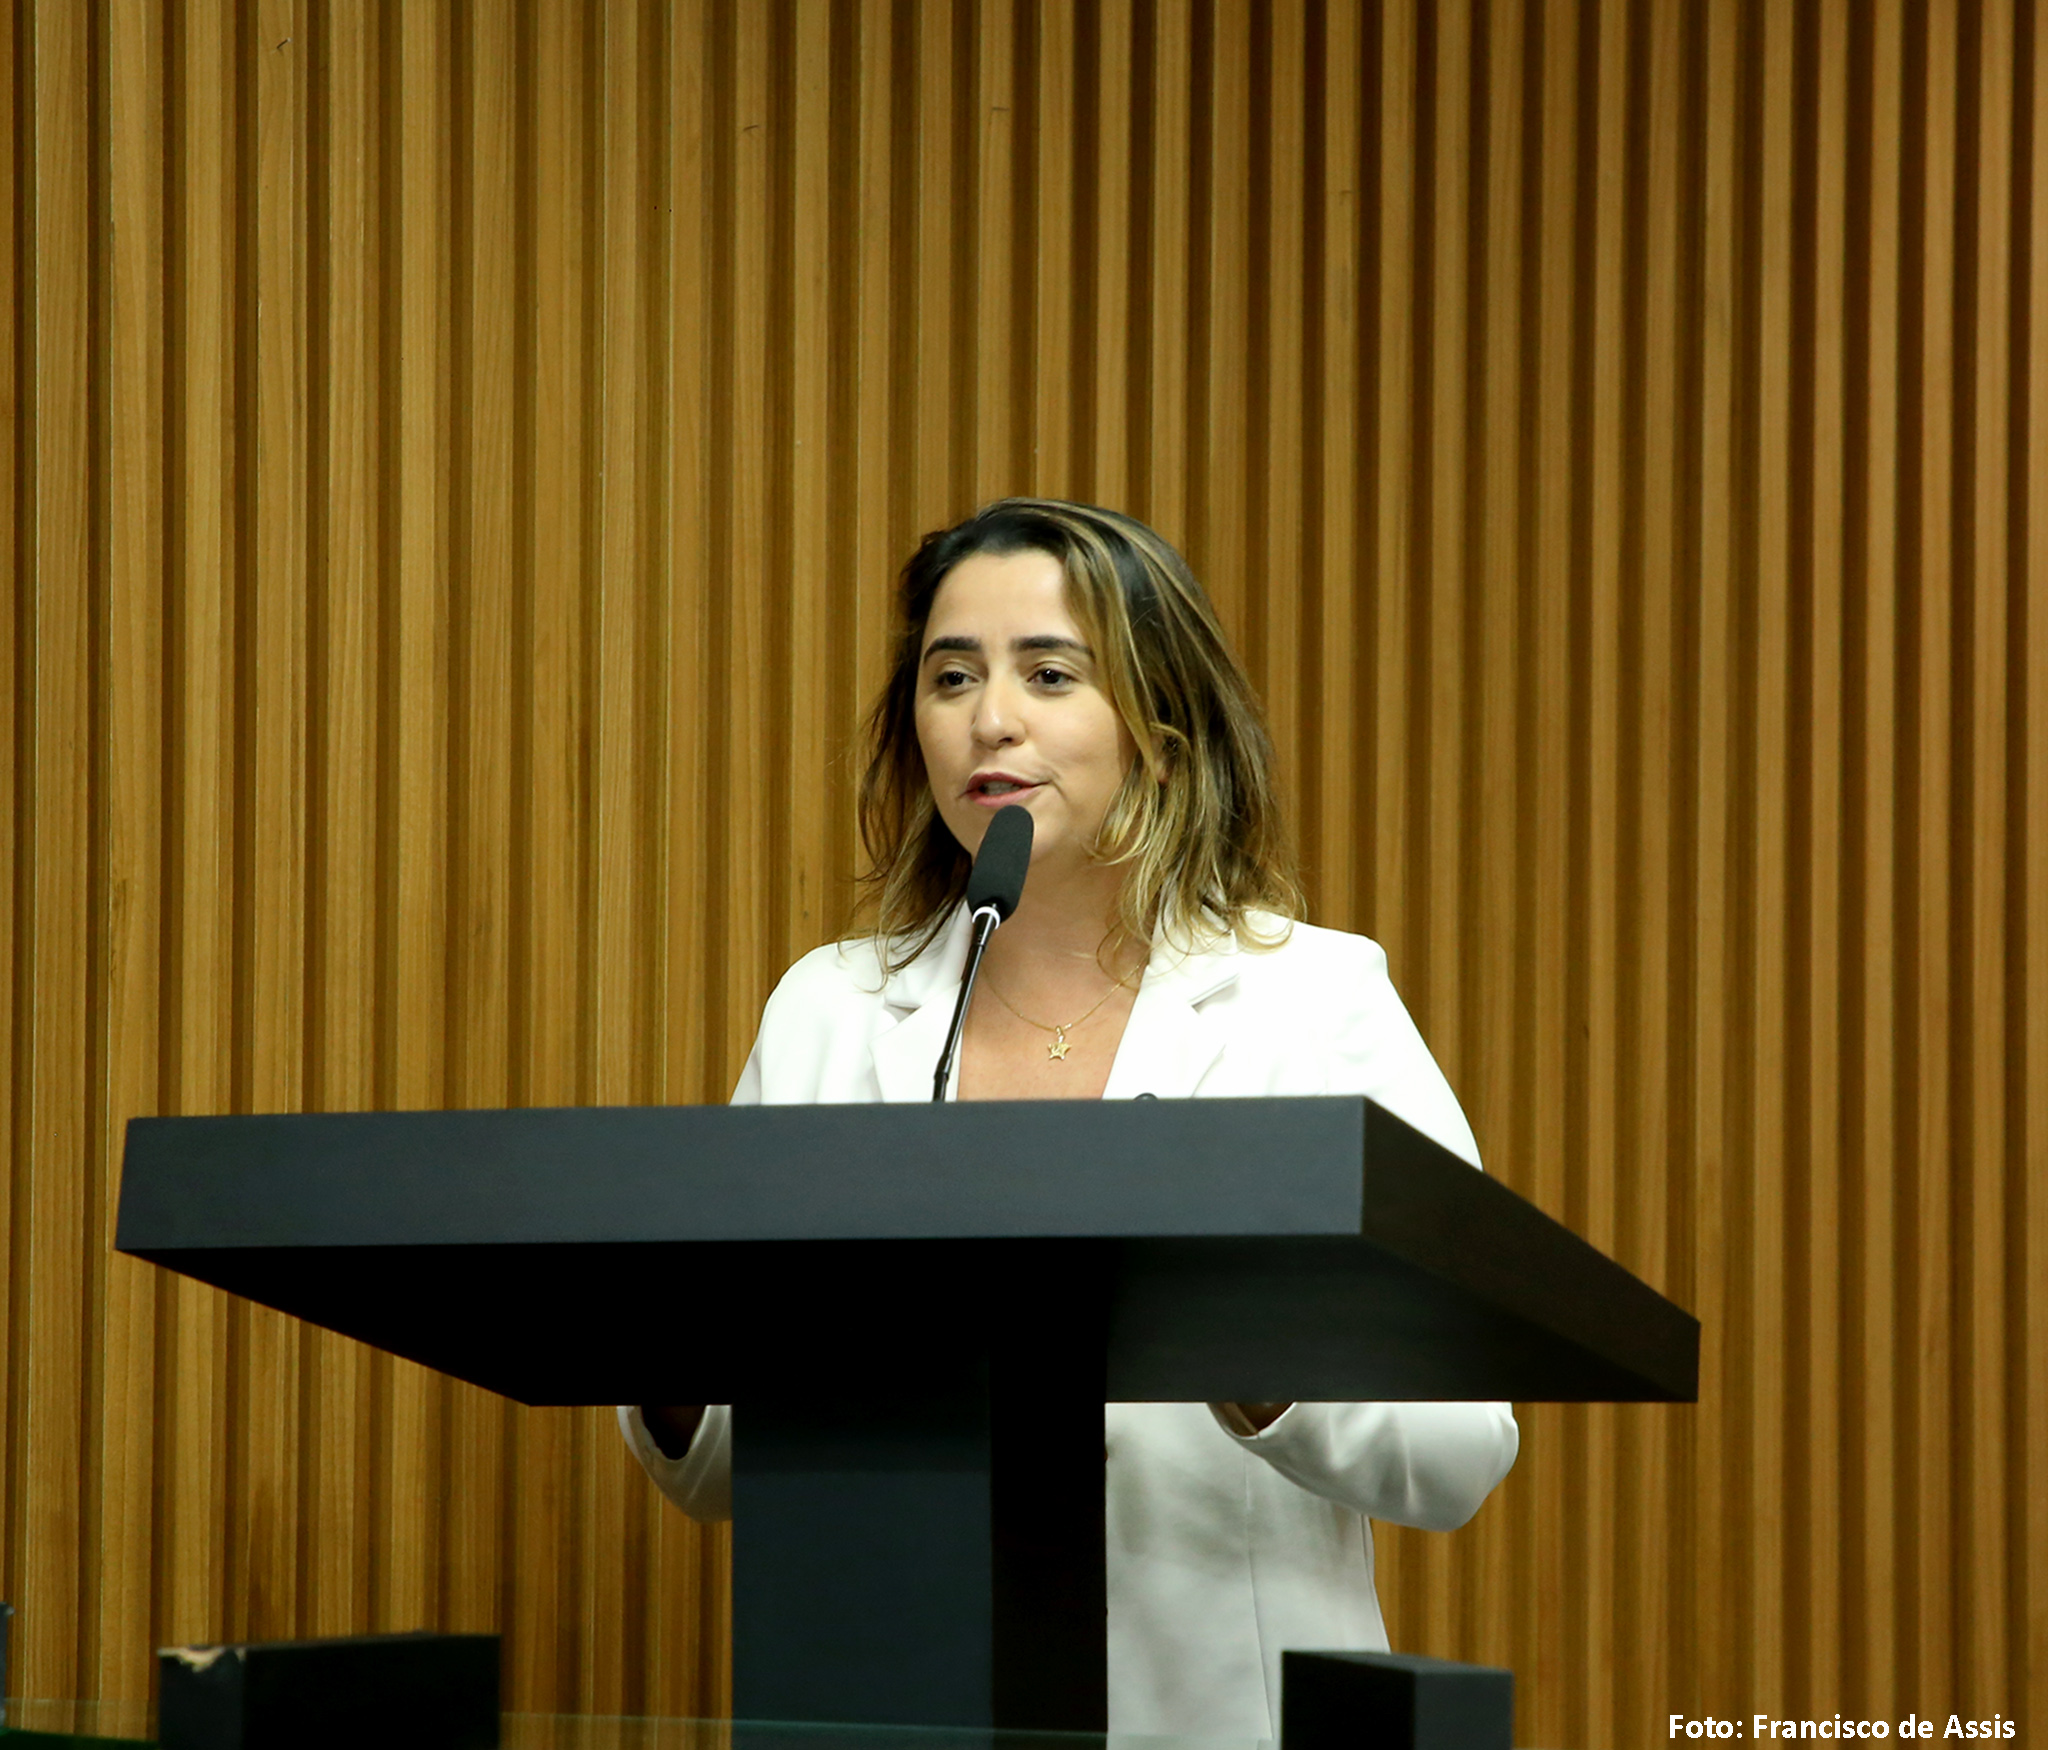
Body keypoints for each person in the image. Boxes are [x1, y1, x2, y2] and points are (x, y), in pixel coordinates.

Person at [619, 498, 1519, 1739]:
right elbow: (723, 1465)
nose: (990, 717)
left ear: (1160, 729)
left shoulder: (1312, 997)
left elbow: (1462, 1442)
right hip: (901, 1705)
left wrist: (1258, 1371)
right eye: (951, 676)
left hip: (1219, 1715)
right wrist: (662, 1352)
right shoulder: (832, 1007)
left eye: (1049, 673)